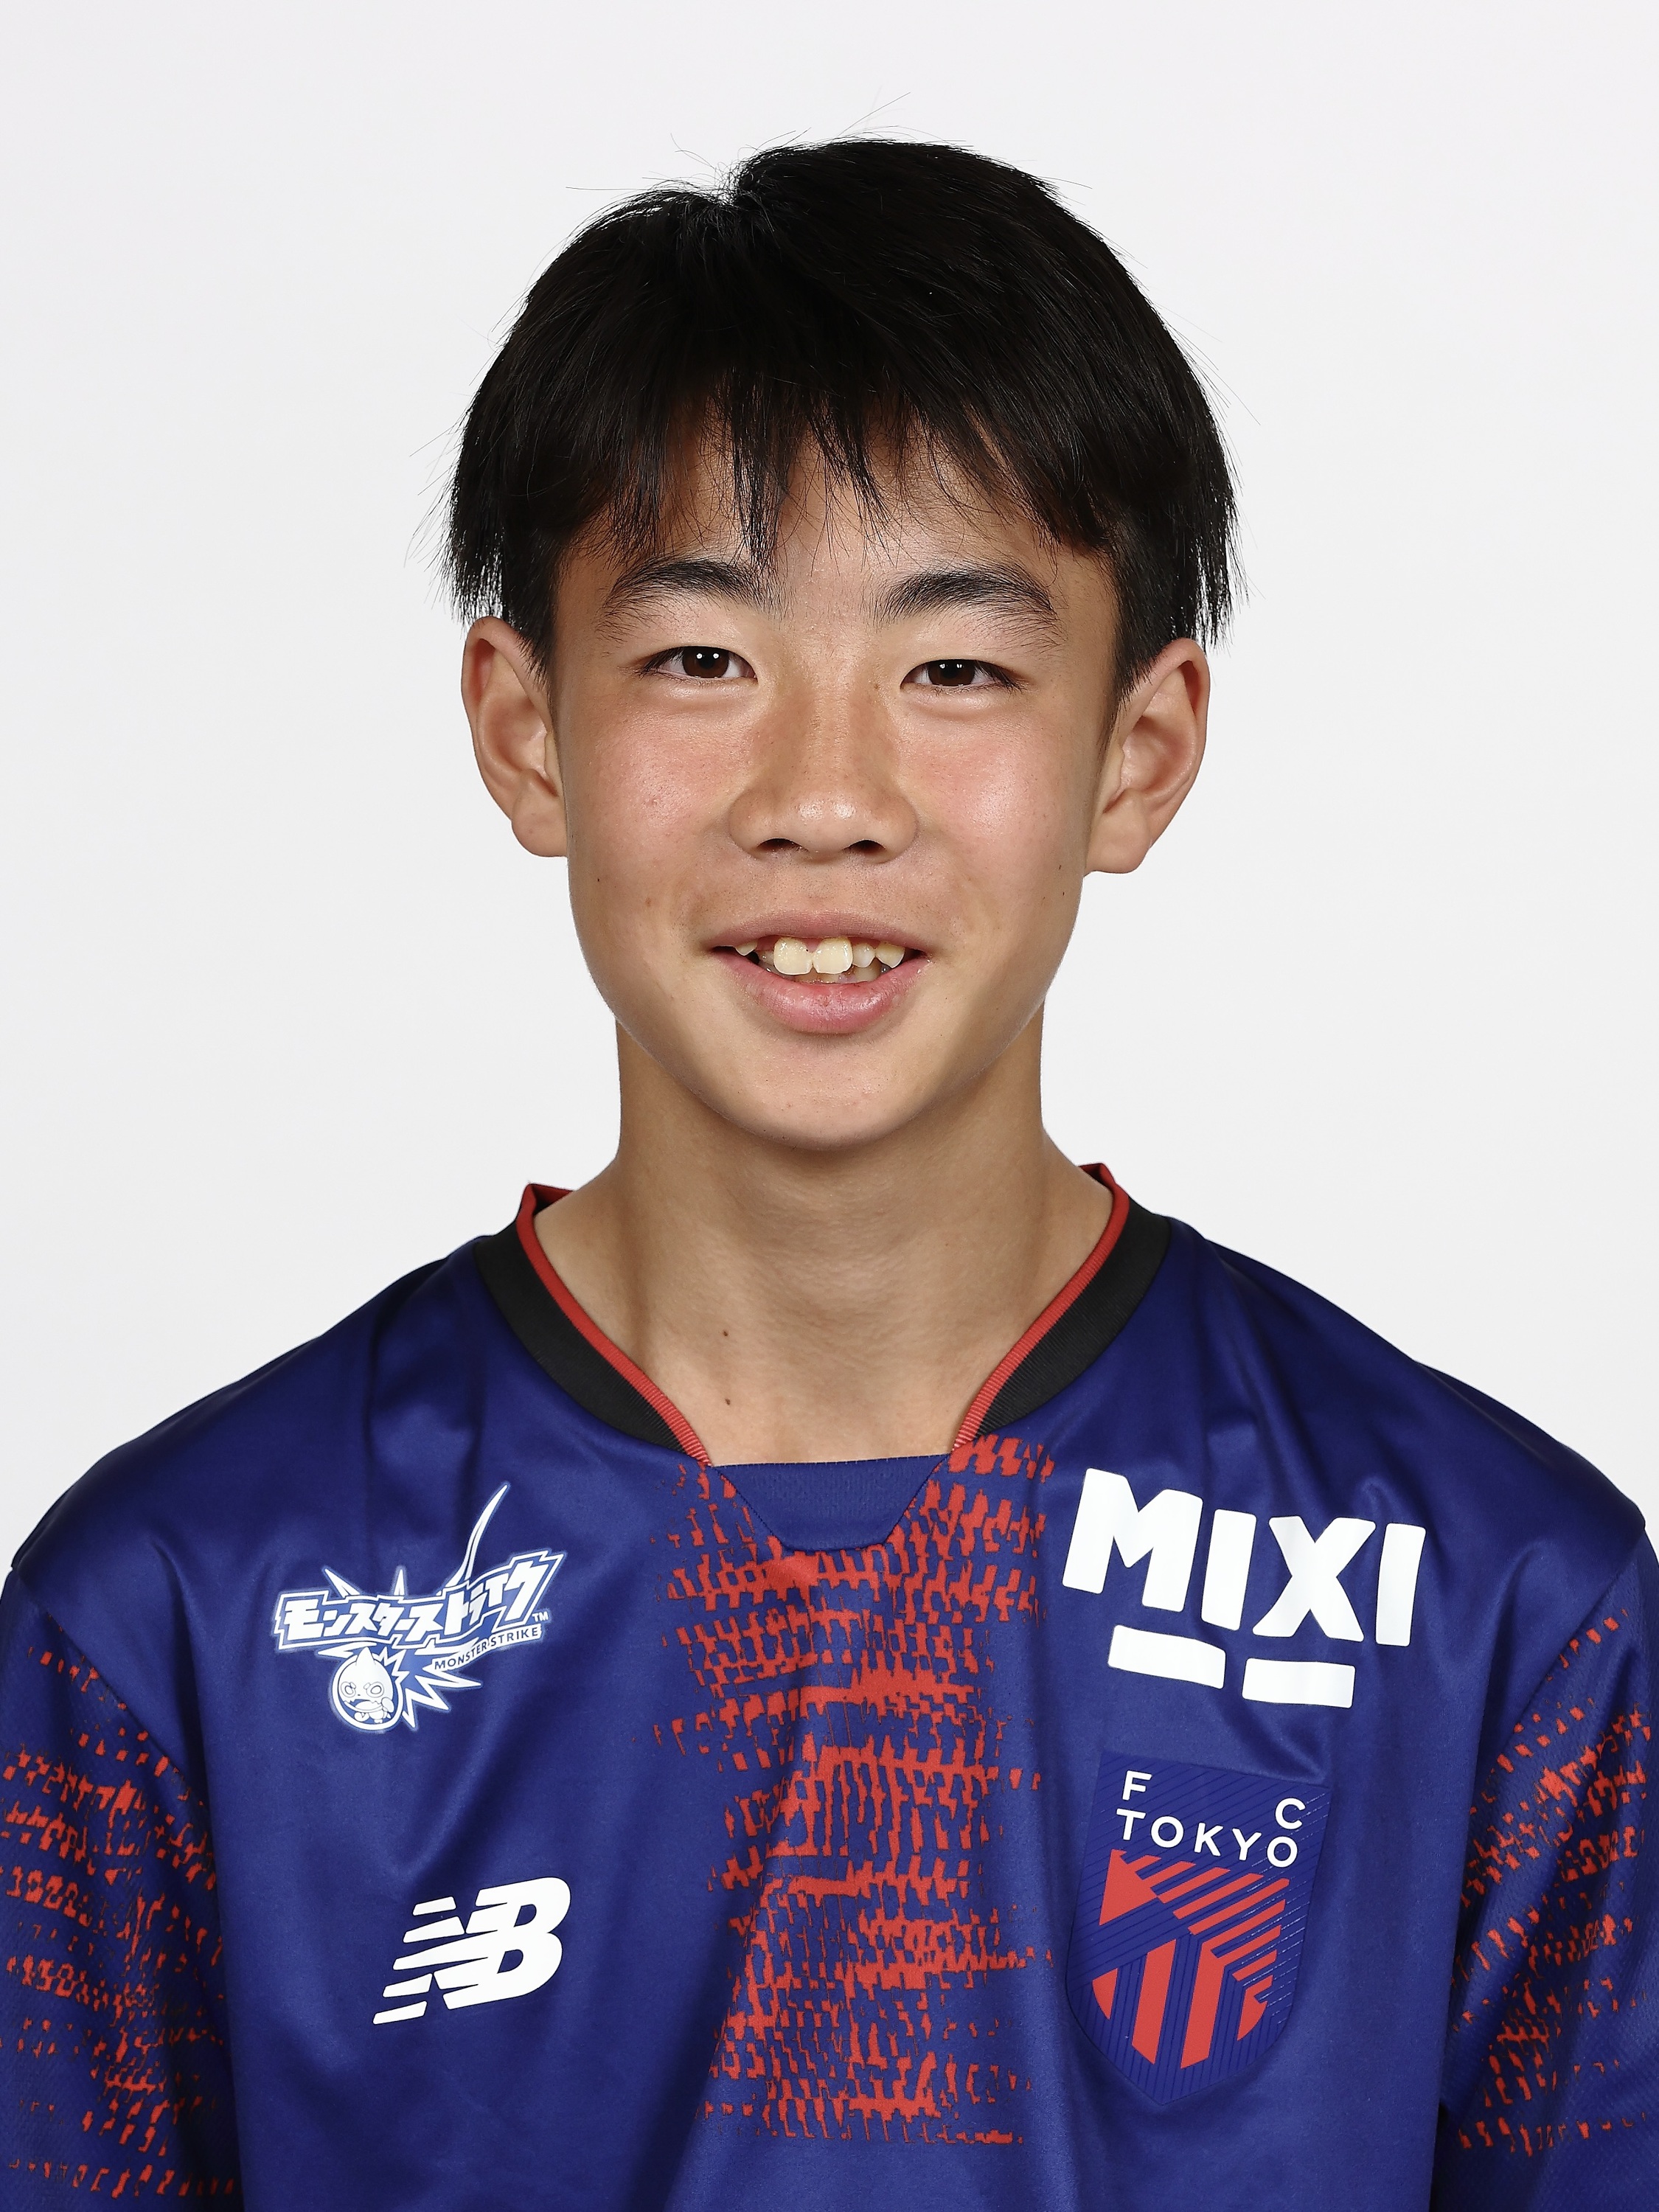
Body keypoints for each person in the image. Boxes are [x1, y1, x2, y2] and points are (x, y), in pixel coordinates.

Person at [1, 139, 1650, 2211]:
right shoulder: (184, 1613)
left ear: (1137, 753)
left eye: (955, 668)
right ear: (525, 729)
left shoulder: (1492, 1602)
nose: (826, 797)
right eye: (703, 659)